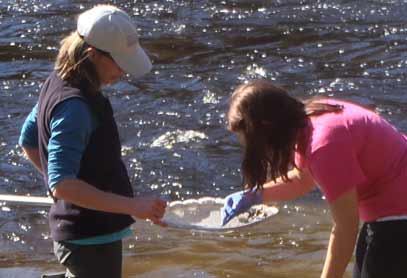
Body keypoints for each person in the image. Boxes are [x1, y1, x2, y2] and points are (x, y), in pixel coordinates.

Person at [19, 5, 167, 278]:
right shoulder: (75, 108)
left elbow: (28, 140)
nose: (123, 71)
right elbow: (63, 183)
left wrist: (65, 186)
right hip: (89, 242)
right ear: (92, 55)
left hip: (79, 236)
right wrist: (134, 206)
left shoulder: (57, 82)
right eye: (120, 62)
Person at [221, 79, 407, 278]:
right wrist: (256, 195)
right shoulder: (307, 122)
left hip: (398, 214)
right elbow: (304, 179)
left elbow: (346, 225)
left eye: (249, 138)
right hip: (388, 210)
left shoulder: (324, 144)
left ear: (266, 127)